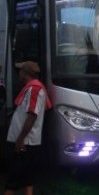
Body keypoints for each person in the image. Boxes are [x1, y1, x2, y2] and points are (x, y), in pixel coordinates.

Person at [4, 61, 52, 195]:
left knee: (12, 181)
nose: (18, 73)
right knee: (28, 179)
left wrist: (20, 139)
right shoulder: (31, 88)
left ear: (25, 73)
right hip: (26, 142)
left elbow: (32, 115)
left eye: (20, 71)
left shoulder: (35, 89)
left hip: (25, 143)